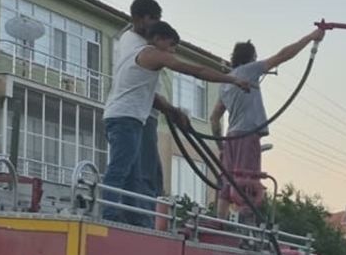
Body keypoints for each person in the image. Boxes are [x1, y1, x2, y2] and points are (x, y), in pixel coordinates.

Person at [103, 22, 250, 227]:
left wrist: (173, 111)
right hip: (126, 118)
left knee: (140, 174)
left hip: (131, 117)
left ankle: (133, 218)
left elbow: (154, 97)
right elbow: (195, 70)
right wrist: (232, 80)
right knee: (122, 170)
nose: (172, 51)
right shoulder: (151, 54)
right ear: (159, 39)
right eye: (171, 45)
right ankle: (109, 214)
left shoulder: (131, 48)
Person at [210, 28, 325, 218]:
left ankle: (220, 222)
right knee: (248, 180)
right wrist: (311, 37)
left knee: (228, 179)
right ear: (252, 57)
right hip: (248, 134)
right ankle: (247, 226)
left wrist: (220, 145)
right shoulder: (250, 70)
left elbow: (214, 117)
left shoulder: (226, 82)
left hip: (230, 136)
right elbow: (283, 55)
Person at [112, 0, 186, 200]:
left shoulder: (137, 42)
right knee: (143, 173)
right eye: (154, 19)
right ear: (140, 19)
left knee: (145, 172)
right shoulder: (136, 45)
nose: (157, 24)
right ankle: (138, 218)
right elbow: (143, 88)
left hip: (141, 112)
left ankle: (138, 216)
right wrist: (171, 109)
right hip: (138, 113)